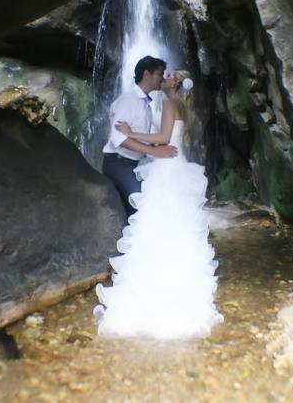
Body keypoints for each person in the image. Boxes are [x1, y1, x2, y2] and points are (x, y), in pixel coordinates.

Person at [94, 70, 224, 339]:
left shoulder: (167, 103)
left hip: (166, 164)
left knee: (157, 220)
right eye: (162, 74)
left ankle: (156, 284)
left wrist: (132, 133)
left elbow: (164, 137)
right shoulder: (179, 105)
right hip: (172, 162)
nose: (163, 78)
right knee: (172, 220)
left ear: (173, 83)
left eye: (168, 75)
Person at [102, 56, 177, 216]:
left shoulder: (145, 104)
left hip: (134, 165)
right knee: (141, 205)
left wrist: (154, 148)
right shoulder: (129, 100)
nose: (162, 79)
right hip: (119, 164)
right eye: (160, 74)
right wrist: (154, 151)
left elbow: (139, 138)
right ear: (147, 74)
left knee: (156, 199)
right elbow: (119, 139)